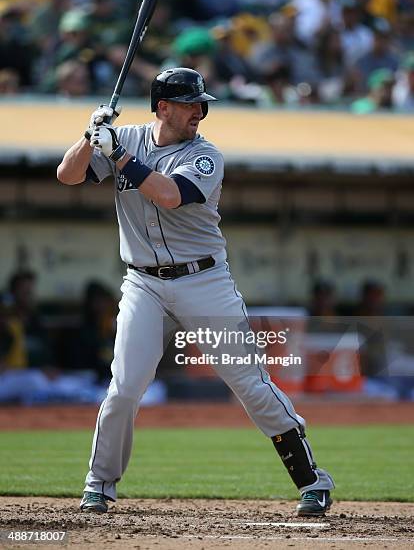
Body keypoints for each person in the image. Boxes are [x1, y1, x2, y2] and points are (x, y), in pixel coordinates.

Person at [57, 67, 334, 516]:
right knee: (125, 387)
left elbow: (167, 194)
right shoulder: (123, 137)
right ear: (162, 107)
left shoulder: (206, 156)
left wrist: (121, 155)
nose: (199, 112)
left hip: (204, 282)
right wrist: (90, 135)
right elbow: (67, 176)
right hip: (143, 282)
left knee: (248, 382)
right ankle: (99, 484)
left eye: (200, 104)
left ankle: (312, 480)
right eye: (189, 104)